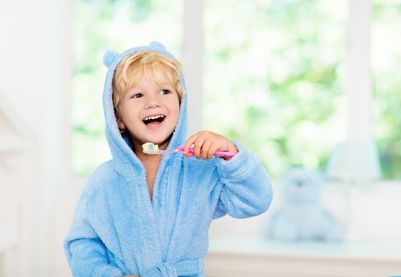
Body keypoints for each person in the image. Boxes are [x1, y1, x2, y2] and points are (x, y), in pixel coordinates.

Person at [64, 41, 273, 277]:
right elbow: (82, 242)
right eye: (137, 95)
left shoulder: (201, 168)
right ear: (118, 119)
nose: (153, 102)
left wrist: (231, 155)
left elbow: (257, 200)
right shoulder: (105, 180)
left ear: (181, 105)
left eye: (164, 91)